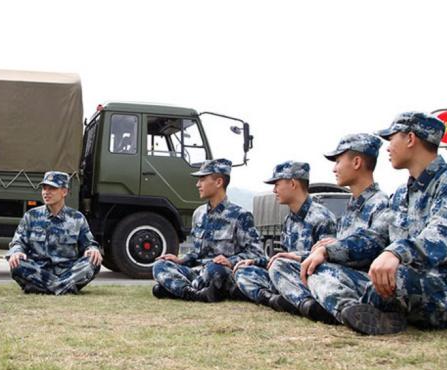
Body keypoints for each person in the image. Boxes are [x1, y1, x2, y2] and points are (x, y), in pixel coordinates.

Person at [308, 112, 447, 335]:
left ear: (410, 139)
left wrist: (396, 253)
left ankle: (352, 307)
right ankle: (352, 311)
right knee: (319, 269)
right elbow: (375, 238)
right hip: (405, 281)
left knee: (394, 276)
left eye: (391, 138)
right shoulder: (401, 195)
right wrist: (328, 251)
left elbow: (444, 235)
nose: (387, 147)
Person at [269, 134, 390, 323]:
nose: (334, 168)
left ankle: (343, 310)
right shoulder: (351, 207)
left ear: (357, 162)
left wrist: (329, 250)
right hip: (340, 276)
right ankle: (315, 305)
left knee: (316, 270)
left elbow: (375, 245)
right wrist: (302, 255)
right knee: (280, 264)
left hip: (366, 282)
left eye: (338, 161)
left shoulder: (381, 203)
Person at [151, 159, 263, 302]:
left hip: (220, 273)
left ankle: (176, 289)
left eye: (202, 179)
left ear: (218, 182)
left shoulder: (241, 215)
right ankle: (194, 293)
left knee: (216, 270)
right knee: (159, 265)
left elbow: (257, 254)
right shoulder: (199, 214)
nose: (198, 184)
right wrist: (180, 260)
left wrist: (230, 261)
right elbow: (197, 253)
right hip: (198, 272)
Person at [234, 161, 336, 306]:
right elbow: (282, 256)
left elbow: (329, 259)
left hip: (311, 279)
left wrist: (295, 259)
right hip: (285, 274)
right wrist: (255, 262)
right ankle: (271, 298)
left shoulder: (322, 218)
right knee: (243, 271)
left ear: (293, 184)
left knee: (279, 268)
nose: (274, 191)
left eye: (277, 185)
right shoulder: (288, 220)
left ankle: (299, 300)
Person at [7, 171, 103, 295]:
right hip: (39, 271)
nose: (46, 192)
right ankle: (64, 288)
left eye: (52, 188)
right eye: (44, 188)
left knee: (93, 261)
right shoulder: (31, 216)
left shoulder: (77, 218)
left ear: (64, 192)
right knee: (16, 264)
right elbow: (18, 242)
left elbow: (89, 243)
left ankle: (42, 288)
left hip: (68, 272)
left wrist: (92, 249)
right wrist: (17, 251)